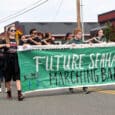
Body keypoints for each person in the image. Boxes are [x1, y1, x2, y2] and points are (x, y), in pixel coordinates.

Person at [4, 26, 24, 101]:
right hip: (7, 60)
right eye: (12, 30)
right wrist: (4, 45)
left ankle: (19, 94)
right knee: (8, 79)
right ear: (8, 31)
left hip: (16, 59)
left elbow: (25, 45)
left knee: (17, 76)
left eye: (14, 30)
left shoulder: (18, 40)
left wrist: (25, 45)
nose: (13, 31)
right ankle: (9, 92)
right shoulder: (4, 40)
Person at [68, 29, 89, 94]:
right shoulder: (71, 41)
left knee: (83, 73)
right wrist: (71, 46)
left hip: (81, 61)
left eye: (81, 34)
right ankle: (71, 87)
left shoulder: (81, 42)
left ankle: (85, 88)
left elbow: (85, 46)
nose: (81, 35)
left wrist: (90, 44)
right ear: (75, 34)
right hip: (74, 61)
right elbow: (66, 49)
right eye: (79, 34)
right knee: (74, 74)